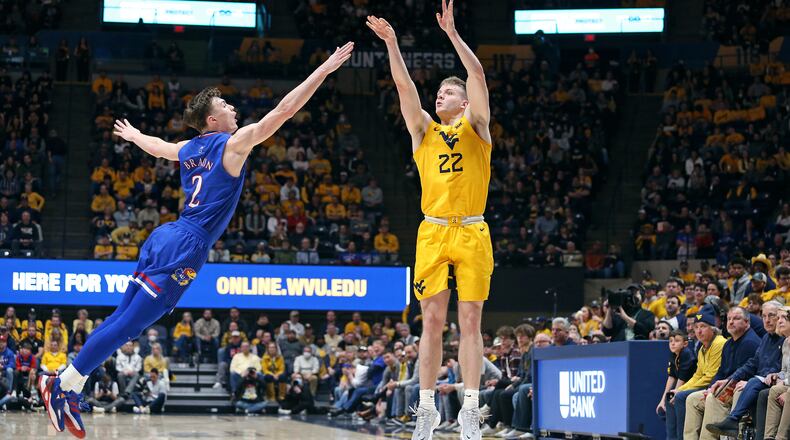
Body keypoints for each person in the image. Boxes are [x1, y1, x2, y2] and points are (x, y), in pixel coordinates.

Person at [39, 42, 355, 437]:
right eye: (226, 106)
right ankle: (61, 382)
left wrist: (136, 135)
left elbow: (161, 148)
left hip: (165, 236)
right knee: (127, 328)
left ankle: (71, 387)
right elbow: (284, 111)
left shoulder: (190, 148)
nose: (233, 109)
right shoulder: (232, 145)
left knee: (121, 320)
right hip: (187, 244)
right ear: (212, 119)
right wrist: (324, 69)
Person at [367, 3, 493, 438]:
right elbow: (403, 87)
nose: (440, 95)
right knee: (433, 321)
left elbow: (476, 75)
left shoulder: (477, 125)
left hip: (473, 229)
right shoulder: (423, 129)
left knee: (471, 320)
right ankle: (426, 408)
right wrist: (392, 45)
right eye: (438, 92)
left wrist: (453, 35)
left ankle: (472, 410)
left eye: (447, 92)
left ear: (464, 101)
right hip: (433, 230)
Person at [705, 301, 784, 437]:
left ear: (781, 317)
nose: (767, 320)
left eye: (771, 316)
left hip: (774, 381)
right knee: (710, 395)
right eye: (763, 316)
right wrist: (730, 380)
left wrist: (751, 380)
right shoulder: (765, 337)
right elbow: (752, 363)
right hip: (760, 381)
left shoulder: (783, 339)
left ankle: (733, 421)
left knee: (744, 388)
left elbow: (778, 367)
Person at [683, 306, 760, 439]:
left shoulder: (750, 342)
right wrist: (710, 388)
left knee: (713, 398)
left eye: (736, 319)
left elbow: (745, 373)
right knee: (693, 399)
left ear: (747, 322)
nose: (730, 322)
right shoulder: (729, 343)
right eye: (729, 319)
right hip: (728, 385)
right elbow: (720, 372)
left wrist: (716, 390)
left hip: (740, 387)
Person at [657, 330, 697, 440]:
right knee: (669, 397)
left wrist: (676, 392)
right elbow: (672, 377)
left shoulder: (686, 353)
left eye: (677, 341)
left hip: (693, 387)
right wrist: (662, 400)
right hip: (683, 388)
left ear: (685, 343)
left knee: (676, 397)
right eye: (670, 341)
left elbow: (682, 378)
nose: (672, 343)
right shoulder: (673, 354)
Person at [763, 306, 790, 440]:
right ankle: (769, 437)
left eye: (784, 318)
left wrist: (785, 384)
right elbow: (785, 371)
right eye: (778, 318)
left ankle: (781, 437)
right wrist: (777, 375)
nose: (779, 321)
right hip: (788, 383)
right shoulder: (786, 342)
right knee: (774, 390)